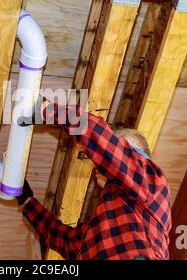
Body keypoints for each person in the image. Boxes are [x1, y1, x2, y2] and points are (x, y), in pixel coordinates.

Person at [14, 103, 171, 260]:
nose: (98, 163)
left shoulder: (152, 182)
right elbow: (63, 240)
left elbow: (99, 137)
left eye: (122, 148)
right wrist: (26, 200)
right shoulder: (97, 229)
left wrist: (47, 109)